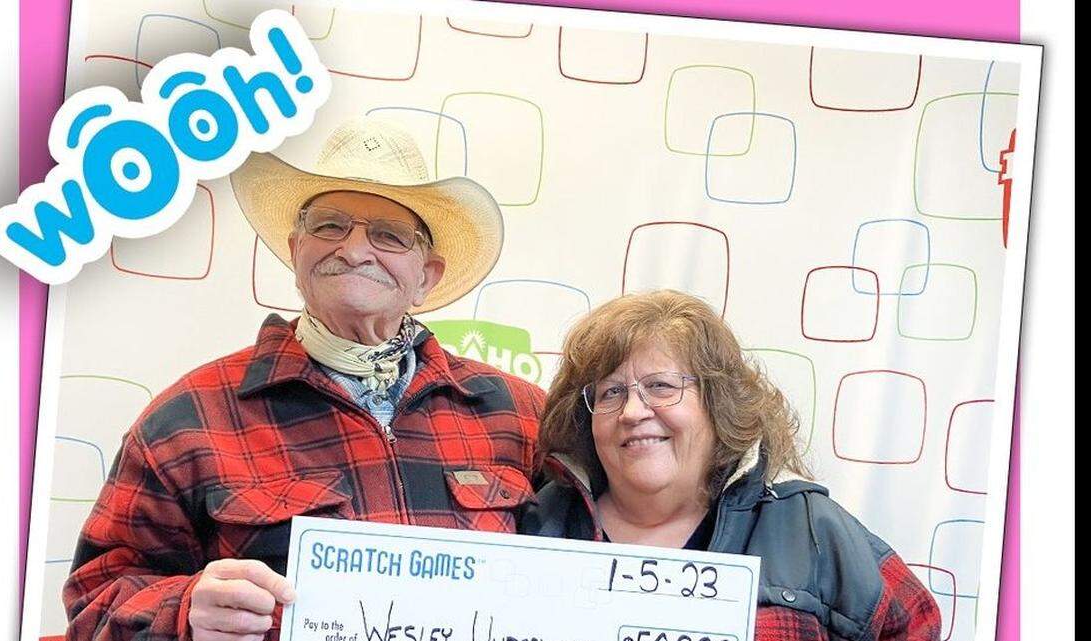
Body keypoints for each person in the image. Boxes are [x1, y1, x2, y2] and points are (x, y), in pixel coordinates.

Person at [63, 118, 545, 641]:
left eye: (388, 235)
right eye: (330, 225)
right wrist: (184, 611)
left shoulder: (520, 413)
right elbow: (95, 601)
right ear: (296, 251)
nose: (355, 249)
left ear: (426, 276)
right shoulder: (188, 418)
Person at [520, 290, 941, 641]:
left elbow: (916, 624)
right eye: (610, 393)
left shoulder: (810, 529)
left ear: (716, 404)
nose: (632, 411)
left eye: (660, 386)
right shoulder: (537, 525)